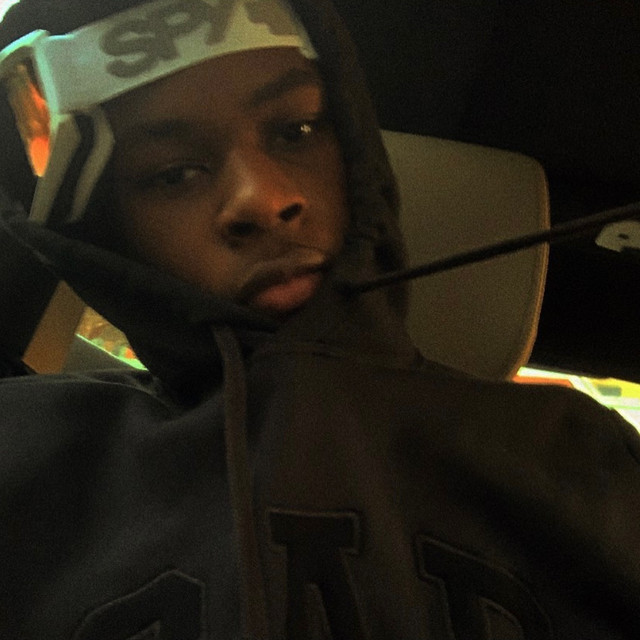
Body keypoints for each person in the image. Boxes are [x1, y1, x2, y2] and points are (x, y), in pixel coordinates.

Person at [0, 0, 639, 638]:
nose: (265, 198)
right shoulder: (26, 454)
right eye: (175, 174)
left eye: (297, 130)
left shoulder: (584, 461)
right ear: (107, 232)